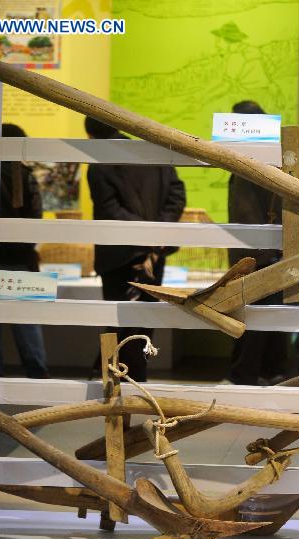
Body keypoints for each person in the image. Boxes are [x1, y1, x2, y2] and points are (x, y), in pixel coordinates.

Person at [85, 116, 186, 382]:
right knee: (144, 317)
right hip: (155, 254)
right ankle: (123, 374)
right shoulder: (151, 154)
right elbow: (177, 194)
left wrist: (142, 232)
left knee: (122, 319)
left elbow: (109, 209)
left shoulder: (100, 163)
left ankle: (132, 382)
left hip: (120, 254)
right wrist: (156, 231)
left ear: (91, 136)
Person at [224, 100, 290, 385]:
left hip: (257, 256)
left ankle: (246, 375)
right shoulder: (271, 160)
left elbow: (245, 214)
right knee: (270, 317)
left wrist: (252, 259)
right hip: (272, 253)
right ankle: (272, 372)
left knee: (252, 318)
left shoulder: (248, 166)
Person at [0, 123, 50, 379]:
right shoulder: (26, 176)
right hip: (21, 259)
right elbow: (36, 221)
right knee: (27, 323)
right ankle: (37, 374)